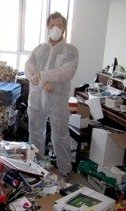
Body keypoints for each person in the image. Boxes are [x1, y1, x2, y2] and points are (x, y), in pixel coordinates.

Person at [25, 11, 79, 176]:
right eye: (52, 25)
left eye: (59, 26)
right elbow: (29, 67)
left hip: (57, 102)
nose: (55, 29)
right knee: (35, 134)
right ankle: (38, 166)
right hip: (36, 101)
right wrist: (42, 81)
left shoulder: (71, 50)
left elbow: (67, 72)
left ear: (64, 28)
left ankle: (64, 169)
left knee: (60, 137)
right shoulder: (39, 49)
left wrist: (44, 76)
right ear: (47, 27)